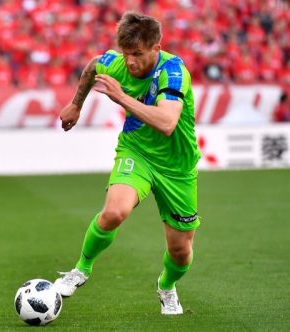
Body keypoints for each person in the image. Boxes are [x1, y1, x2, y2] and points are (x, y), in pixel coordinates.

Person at [54, 11, 201, 315]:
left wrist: (121, 98)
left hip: (177, 168)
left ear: (155, 49)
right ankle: (80, 270)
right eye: (126, 53)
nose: (130, 61)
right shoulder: (116, 63)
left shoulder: (173, 72)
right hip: (136, 153)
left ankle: (166, 287)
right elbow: (93, 66)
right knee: (114, 212)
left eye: (137, 54)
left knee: (181, 252)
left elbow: (167, 122)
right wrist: (76, 104)